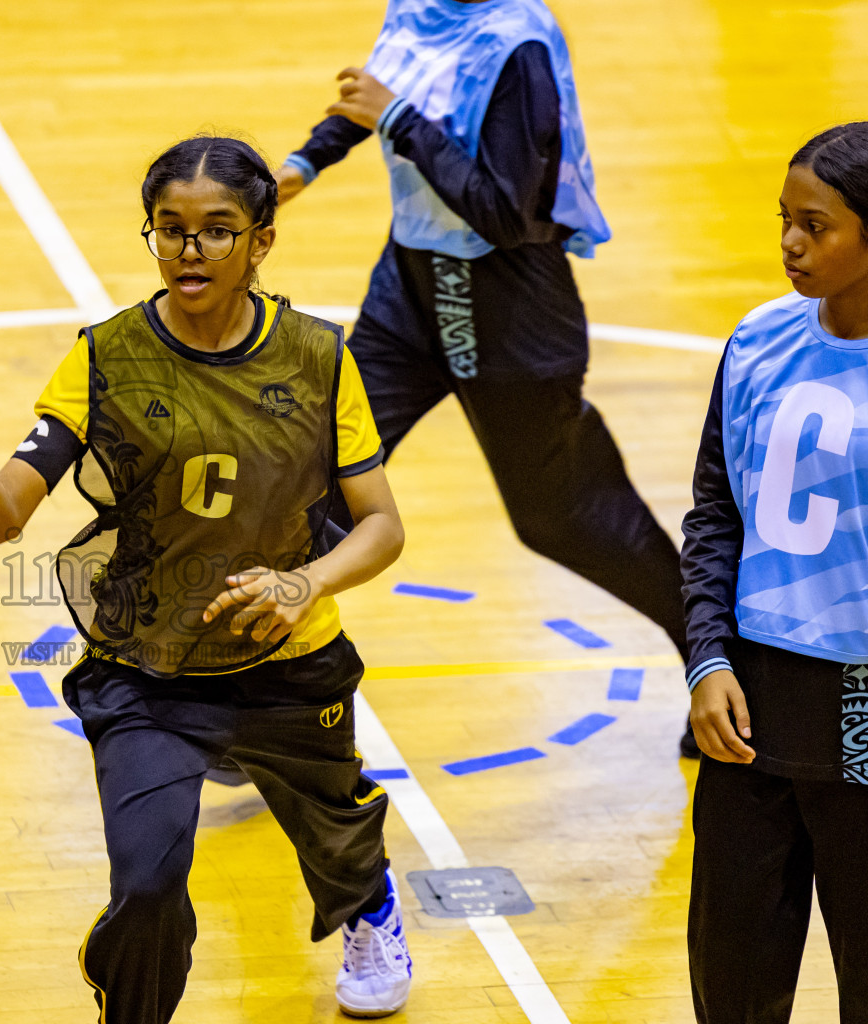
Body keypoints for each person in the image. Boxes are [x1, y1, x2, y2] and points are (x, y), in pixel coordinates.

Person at [0, 135, 413, 1021]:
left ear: (261, 242)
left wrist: (305, 584)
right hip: (147, 671)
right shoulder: (104, 358)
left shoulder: (319, 357)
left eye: (216, 230)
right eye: (170, 229)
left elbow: (383, 526)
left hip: (288, 659)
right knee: (150, 885)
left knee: (343, 845)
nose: (189, 251)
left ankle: (369, 907)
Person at [276, 0, 699, 756]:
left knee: (563, 519)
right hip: (409, 296)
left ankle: (717, 665)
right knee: (311, 473)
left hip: (510, 316)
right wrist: (301, 166)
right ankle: (271, 704)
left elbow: (504, 211)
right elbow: (376, 93)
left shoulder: (519, 48)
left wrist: (398, 118)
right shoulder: (421, 10)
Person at [680, 121, 868, 1023]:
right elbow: (714, 514)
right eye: (782, 218)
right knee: (731, 986)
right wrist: (707, 660)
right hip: (749, 715)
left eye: (814, 226)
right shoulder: (757, 339)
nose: (789, 242)